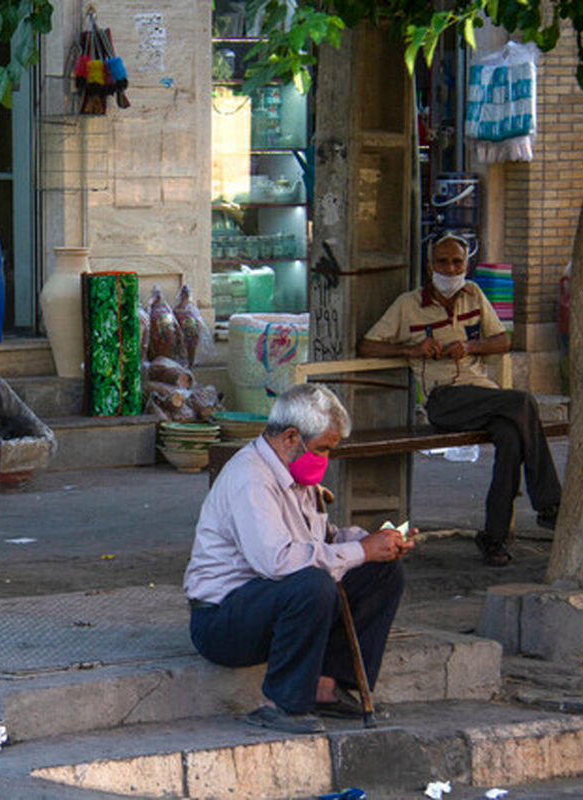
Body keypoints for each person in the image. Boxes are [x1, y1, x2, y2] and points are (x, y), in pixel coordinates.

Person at [183, 383, 411, 734]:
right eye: (321, 449)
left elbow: (318, 540)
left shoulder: (293, 477)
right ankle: (279, 702)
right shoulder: (251, 478)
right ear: (291, 437)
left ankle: (327, 684)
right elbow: (279, 562)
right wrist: (361, 550)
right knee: (312, 583)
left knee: (383, 572)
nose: (324, 460)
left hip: (269, 604)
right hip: (222, 621)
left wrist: (370, 543)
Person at [358, 232, 562, 566]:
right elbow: (368, 345)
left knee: (511, 437)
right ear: (430, 266)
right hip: (444, 399)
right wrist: (412, 350)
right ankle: (549, 504)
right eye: (443, 262)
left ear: (466, 265)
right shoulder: (409, 305)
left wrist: (470, 346)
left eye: (456, 262)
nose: (450, 269)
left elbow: (500, 340)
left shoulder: (474, 294)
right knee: (523, 403)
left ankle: (494, 537)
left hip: (481, 392)